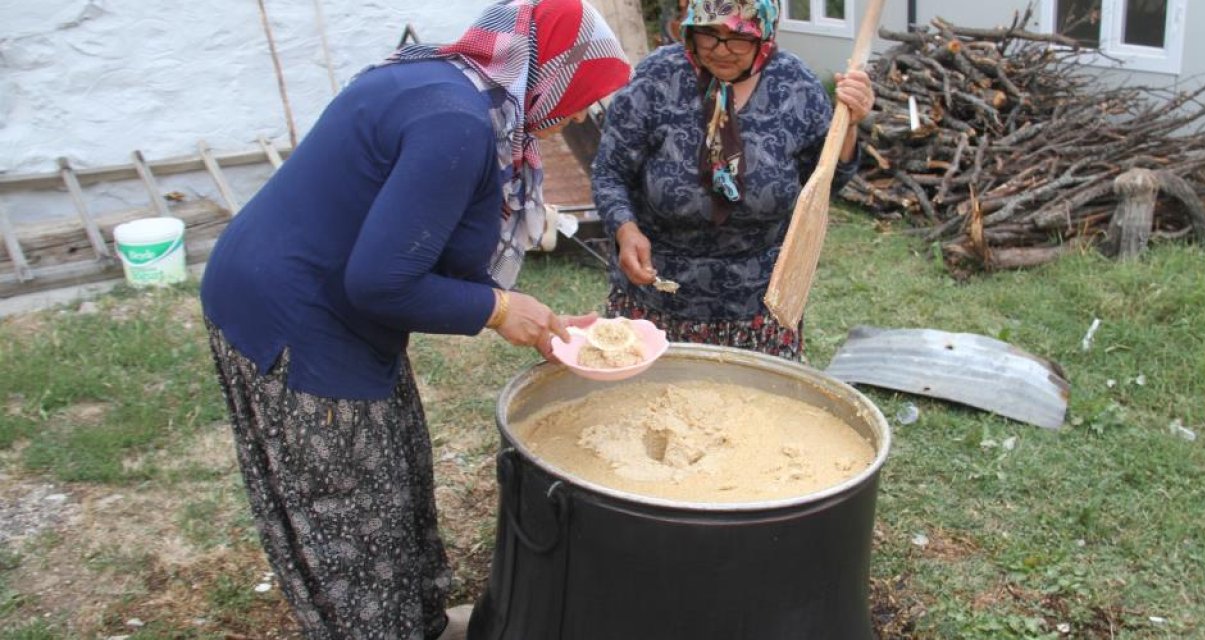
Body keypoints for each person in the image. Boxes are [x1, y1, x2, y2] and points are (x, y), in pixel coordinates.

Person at [199, 0, 630, 637]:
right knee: (352, 504)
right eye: (578, 95)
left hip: (307, 291)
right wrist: (497, 308)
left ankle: (419, 620)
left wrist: (536, 319)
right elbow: (380, 281)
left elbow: (418, 239)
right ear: (550, 71)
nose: (572, 115)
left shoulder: (445, 81)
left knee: (395, 465)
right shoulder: (458, 124)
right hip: (300, 317)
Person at [591, 0, 875, 361]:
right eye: (708, 34)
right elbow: (609, 171)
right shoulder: (657, 79)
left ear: (765, 35)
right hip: (656, 299)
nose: (721, 50)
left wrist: (848, 126)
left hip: (760, 307)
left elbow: (823, 185)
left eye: (738, 37)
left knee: (752, 412)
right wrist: (625, 230)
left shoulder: (795, 86)